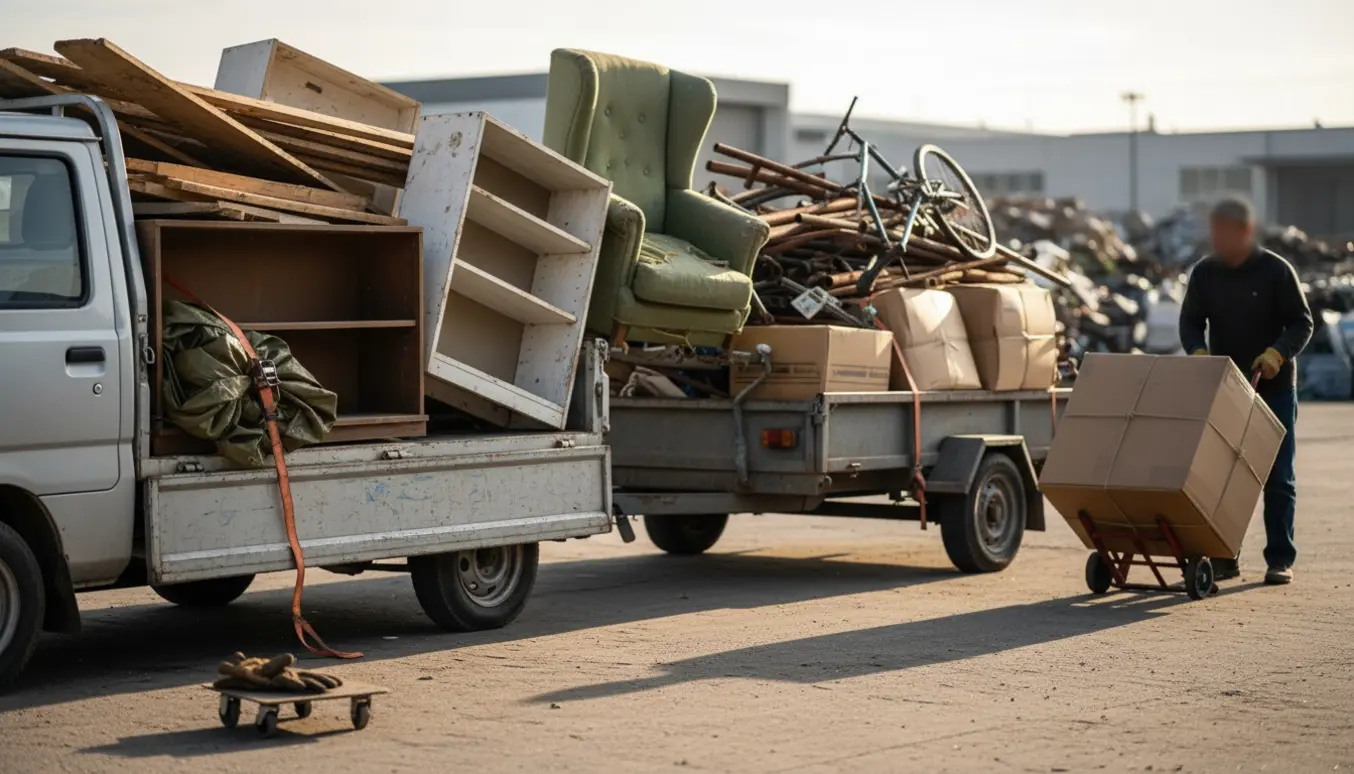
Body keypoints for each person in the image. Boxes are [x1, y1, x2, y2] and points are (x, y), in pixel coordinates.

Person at [1179, 197, 1313, 585]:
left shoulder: (1276, 271)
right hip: (1226, 388)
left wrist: (1277, 353)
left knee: (1278, 475)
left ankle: (1279, 558)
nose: (1217, 239)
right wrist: (1199, 352)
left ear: (1245, 231)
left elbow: (1302, 323)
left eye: (1225, 232)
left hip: (1273, 387)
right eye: (1214, 232)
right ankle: (1224, 557)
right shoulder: (1205, 273)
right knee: (1221, 476)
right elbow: (1189, 322)